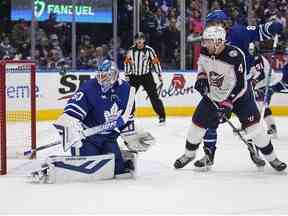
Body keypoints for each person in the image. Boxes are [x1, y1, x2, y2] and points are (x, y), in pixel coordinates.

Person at [173, 26, 286, 172]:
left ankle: (273, 159)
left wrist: (227, 103)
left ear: (219, 42)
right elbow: (202, 66)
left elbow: (240, 84)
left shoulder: (235, 55)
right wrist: (201, 78)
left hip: (240, 99)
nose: (204, 44)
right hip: (213, 96)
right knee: (195, 128)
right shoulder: (205, 51)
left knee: (256, 131)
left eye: (208, 41)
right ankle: (189, 155)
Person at [30, 60, 155, 183]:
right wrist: (71, 130)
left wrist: (131, 134)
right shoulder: (89, 87)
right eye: (100, 75)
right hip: (87, 139)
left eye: (106, 76)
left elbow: (126, 118)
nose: (102, 79)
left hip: (109, 137)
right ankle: (50, 170)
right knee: (89, 173)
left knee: (118, 172)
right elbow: (70, 114)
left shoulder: (127, 90)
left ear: (115, 75)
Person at [124, 32, 166, 125]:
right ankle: (130, 114)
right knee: (129, 96)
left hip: (146, 76)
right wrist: (127, 75)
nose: (139, 40)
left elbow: (156, 62)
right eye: (137, 39)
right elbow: (127, 62)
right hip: (134, 76)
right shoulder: (131, 50)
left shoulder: (149, 50)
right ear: (135, 40)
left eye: (141, 39)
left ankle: (162, 116)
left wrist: (159, 75)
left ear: (144, 40)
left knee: (154, 96)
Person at [249, 43, 281, 138]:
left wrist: (253, 82)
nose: (250, 52)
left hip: (268, 83)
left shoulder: (257, 59)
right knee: (262, 105)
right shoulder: (252, 58)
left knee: (258, 104)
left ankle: (253, 127)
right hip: (265, 83)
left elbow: (261, 75)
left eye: (251, 50)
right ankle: (272, 127)